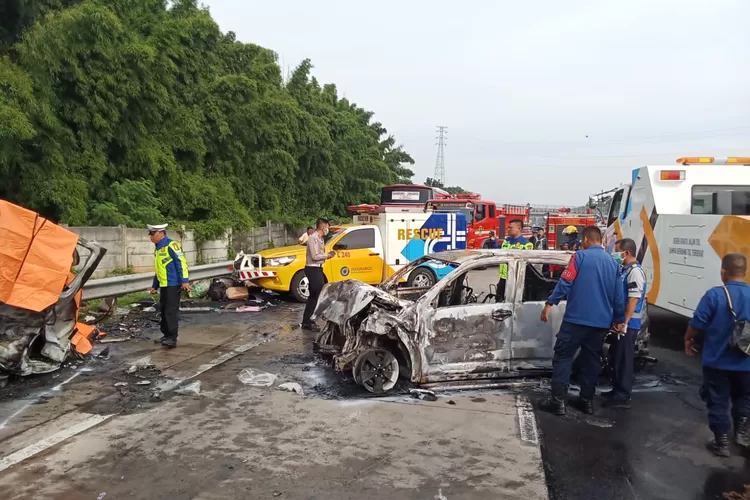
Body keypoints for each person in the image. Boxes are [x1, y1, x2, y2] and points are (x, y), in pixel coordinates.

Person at [540, 225, 625, 416]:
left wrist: (550, 302)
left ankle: (558, 402)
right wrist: (619, 319)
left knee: (563, 357)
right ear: (601, 240)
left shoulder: (579, 257)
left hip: (576, 321)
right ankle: (587, 401)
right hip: (601, 323)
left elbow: (565, 282)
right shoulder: (613, 263)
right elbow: (619, 296)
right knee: (591, 360)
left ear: (585, 240)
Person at [685, 253, 750, 457]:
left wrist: (688, 339)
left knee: (718, 399)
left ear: (723, 272)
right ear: (745, 272)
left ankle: (721, 442)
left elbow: (697, 323)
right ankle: (741, 432)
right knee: (745, 397)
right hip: (747, 362)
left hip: (717, 361)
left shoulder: (715, 295)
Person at [602, 238, 647, 408]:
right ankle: (616, 389)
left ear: (626, 253)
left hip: (629, 324)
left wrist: (625, 322)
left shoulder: (635, 272)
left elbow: (633, 299)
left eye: (617, 251)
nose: (615, 254)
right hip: (619, 322)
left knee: (625, 360)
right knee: (617, 358)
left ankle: (623, 395)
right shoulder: (624, 270)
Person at [147, 224, 191, 349]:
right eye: (150, 234)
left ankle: (172, 338)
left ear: (161, 233)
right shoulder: (158, 249)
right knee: (163, 310)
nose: (151, 237)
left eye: (153, 234)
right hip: (164, 285)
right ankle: (166, 335)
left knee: (171, 312)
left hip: (173, 284)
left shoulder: (172, 245)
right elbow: (159, 270)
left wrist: (184, 281)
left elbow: (181, 263)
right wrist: (154, 286)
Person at [301, 218, 336, 331]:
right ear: (322, 227)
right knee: (315, 296)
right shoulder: (313, 239)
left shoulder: (320, 239)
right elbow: (315, 256)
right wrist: (328, 255)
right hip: (313, 269)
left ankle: (307, 321)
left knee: (314, 296)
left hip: (318, 269)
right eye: (327, 227)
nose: (327, 229)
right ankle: (310, 321)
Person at [496, 219, 533, 302]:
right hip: (503, 277)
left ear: (519, 229)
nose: (508, 229)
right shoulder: (507, 240)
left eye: (510, 228)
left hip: (516, 279)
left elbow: (528, 264)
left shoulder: (526, 244)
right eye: (508, 228)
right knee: (498, 300)